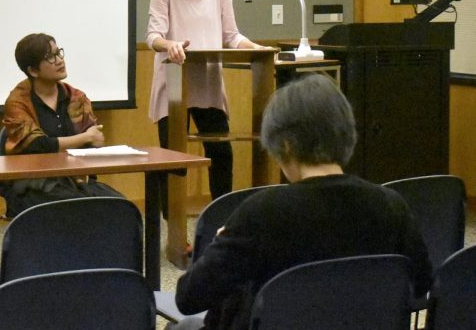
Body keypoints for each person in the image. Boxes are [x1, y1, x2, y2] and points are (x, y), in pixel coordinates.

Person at [173, 74, 432, 330]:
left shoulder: (262, 213)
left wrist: (221, 245)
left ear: (285, 145)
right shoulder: (391, 206)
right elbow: (421, 284)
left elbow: (188, 298)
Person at [146, 0, 264, 202]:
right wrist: (170, 44)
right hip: (173, 81)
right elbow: (153, 35)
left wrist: (259, 49)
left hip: (208, 81)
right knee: (174, 159)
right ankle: (173, 228)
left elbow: (232, 36)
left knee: (221, 153)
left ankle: (220, 216)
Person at [0, 33, 124, 218]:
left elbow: (94, 142)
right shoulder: (18, 102)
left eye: (59, 53)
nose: (59, 60)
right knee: (75, 210)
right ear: (33, 70)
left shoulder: (76, 98)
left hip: (76, 180)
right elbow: (38, 145)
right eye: (51, 57)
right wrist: (84, 137)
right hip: (32, 184)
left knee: (121, 206)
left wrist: (90, 140)